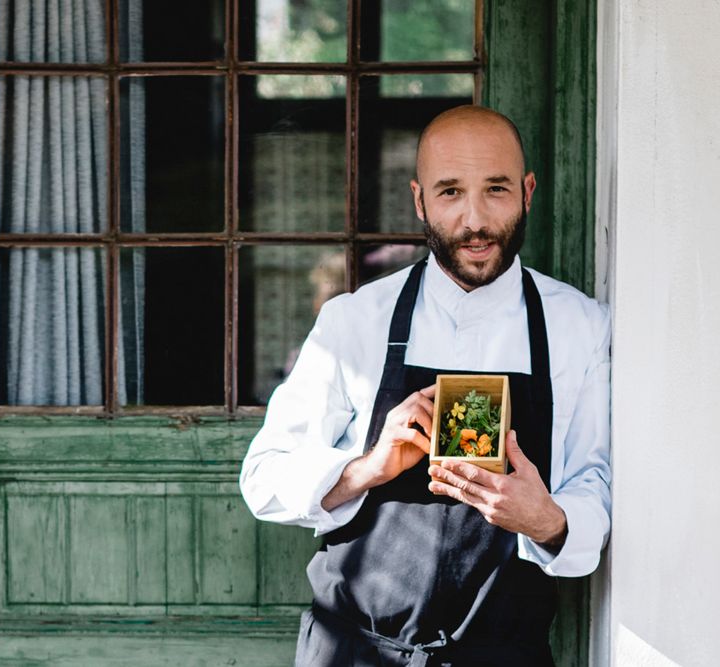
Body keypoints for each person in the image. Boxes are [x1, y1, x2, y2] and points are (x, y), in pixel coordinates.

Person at [239, 105, 610, 666]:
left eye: (496, 189)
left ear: (528, 192)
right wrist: (367, 467)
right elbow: (263, 477)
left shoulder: (580, 328)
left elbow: (596, 483)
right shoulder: (354, 321)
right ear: (419, 200)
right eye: (450, 192)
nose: (474, 220)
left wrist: (548, 520)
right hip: (352, 651)